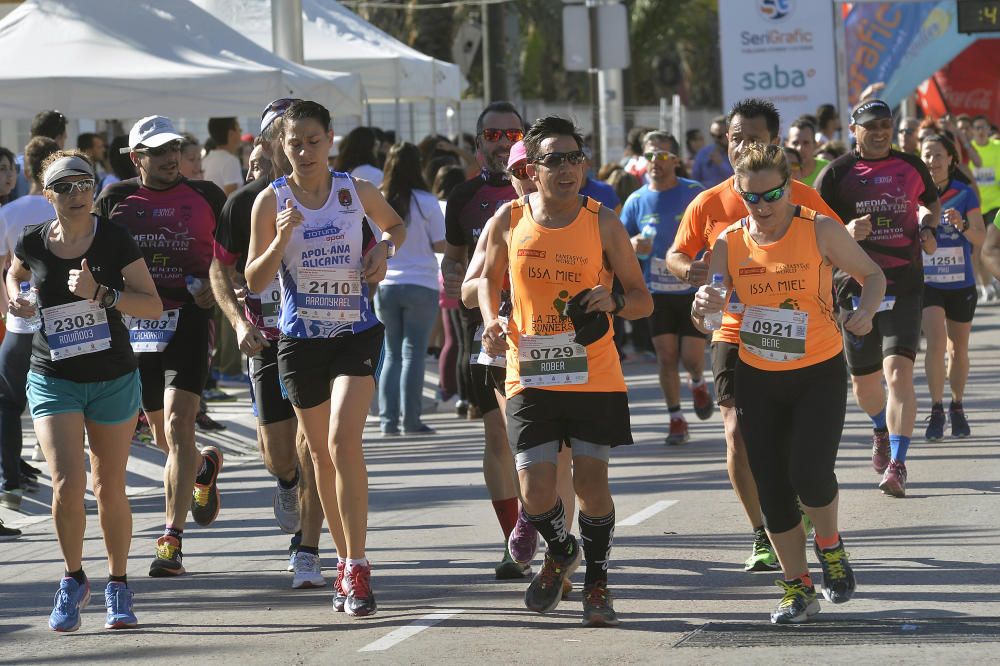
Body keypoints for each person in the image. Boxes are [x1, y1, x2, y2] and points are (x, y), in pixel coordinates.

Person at [692, 142, 882, 624]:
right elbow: (712, 304)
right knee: (773, 487)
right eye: (750, 195)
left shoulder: (818, 228)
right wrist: (702, 308)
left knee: (810, 475)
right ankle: (797, 588)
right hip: (758, 373)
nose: (762, 205)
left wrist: (864, 311)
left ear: (789, 186)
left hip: (817, 369)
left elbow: (872, 274)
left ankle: (831, 546)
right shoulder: (729, 241)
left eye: (772, 194)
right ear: (738, 190)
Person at [479, 115, 652, 627]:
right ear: (531, 169)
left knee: (592, 485)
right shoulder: (508, 221)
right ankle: (562, 550)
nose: (567, 168)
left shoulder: (603, 221)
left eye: (575, 157)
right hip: (529, 368)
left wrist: (614, 301)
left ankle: (596, 581)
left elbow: (643, 300)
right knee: (534, 492)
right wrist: (492, 321)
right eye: (554, 159)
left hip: (592, 371)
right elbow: (486, 281)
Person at [667, 97, 843, 573]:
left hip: (799, 334)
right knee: (737, 435)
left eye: (755, 138)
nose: (744, 144)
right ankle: (762, 532)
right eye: (737, 137)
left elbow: (838, 245)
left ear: (773, 143)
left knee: (791, 442)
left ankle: (800, 508)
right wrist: (694, 273)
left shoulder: (801, 195)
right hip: (733, 330)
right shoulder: (708, 201)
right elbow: (676, 255)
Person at [245, 99, 405, 617]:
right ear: (280, 146)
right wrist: (281, 240)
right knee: (318, 456)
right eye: (295, 143)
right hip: (300, 341)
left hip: (355, 332)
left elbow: (396, 228)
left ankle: (358, 563)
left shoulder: (353, 190)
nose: (305, 151)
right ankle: (343, 561)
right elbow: (254, 279)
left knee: (342, 439)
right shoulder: (270, 202)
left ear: (330, 139)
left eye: (314, 141)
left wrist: (383, 249)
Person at [8, 151, 161, 631]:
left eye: (85, 184)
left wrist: (101, 293)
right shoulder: (33, 240)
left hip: (112, 376)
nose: (78, 193)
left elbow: (152, 307)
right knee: (66, 484)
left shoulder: (115, 239)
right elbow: (15, 275)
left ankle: (118, 583)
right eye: (67, 185)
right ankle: (73, 578)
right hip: (53, 376)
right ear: (47, 193)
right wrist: (18, 298)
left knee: (108, 486)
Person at [95, 115, 227, 575]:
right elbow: (98, 256)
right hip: (136, 324)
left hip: (189, 318)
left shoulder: (207, 195)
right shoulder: (114, 199)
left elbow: (229, 255)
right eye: (158, 151)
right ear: (137, 158)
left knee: (179, 421)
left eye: (175, 147)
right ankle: (201, 472)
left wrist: (219, 286)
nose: (171, 157)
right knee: (164, 436)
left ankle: (171, 538)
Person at [210, 97, 328, 589]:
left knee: (312, 447)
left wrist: (374, 263)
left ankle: (308, 549)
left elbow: (373, 243)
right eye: (284, 133)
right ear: (269, 142)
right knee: (280, 455)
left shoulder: (334, 194)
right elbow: (220, 267)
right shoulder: (247, 203)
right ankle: (285, 485)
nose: (295, 143)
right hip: (267, 339)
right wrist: (238, 321)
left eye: (304, 134)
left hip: (321, 338)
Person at [815, 99, 941, 498]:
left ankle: (898, 464)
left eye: (886, 124)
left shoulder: (910, 166)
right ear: (854, 129)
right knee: (864, 382)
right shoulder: (837, 173)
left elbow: (931, 203)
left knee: (899, 374)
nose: (881, 131)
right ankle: (879, 428)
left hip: (904, 283)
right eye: (871, 125)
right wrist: (845, 230)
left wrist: (926, 226)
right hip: (852, 287)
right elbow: (814, 226)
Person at [440, 101, 528, 578]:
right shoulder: (463, 196)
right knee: (498, 434)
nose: (502, 143)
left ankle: (547, 525)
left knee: (538, 439)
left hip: (544, 330)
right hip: (489, 331)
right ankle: (514, 537)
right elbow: (454, 259)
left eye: (512, 135)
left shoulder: (550, 191)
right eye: (493, 135)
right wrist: (454, 278)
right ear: (478, 145)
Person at [620, 131, 709, 445]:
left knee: (693, 357)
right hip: (656, 290)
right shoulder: (636, 200)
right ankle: (675, 418)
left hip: (693, 290)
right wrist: (632, 244)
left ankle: (698, 381)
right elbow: (619, 245)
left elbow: (715, 232)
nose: (655, 162)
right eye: (649, 156)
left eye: (662, 156)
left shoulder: (694, 193)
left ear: (675, 160)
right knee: (667, 356)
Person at [0, 137, 60, 511]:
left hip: (20, 323)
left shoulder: (10, 213)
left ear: (24, 169)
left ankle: (10, 483)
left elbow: (6, 269)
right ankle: (63, 483)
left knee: (8, 404)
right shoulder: (76, 210)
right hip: (66, 326)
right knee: (59, 404)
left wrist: (8, 309)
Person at [374, 142, 445, 435]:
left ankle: (388, 420)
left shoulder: (379, 198)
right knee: (414, 352)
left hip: (386, 284)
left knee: (391, 353)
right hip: (421, 283)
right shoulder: (426, 201)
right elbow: (440, 244)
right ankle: (411, 420)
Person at [918, 135, 986, 440]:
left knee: (958, 349)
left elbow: (980, 240)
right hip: (929, 282)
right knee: (935, 342)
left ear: (950, 160)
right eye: (927, 155)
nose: (933, 161)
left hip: (961, 282)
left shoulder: (965, 193)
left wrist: (961, 225)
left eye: (938, 155)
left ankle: (956, 405)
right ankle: (936, 409)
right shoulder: (915, 195)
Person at [11, 110, 68, 201]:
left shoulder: (12, 165)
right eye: (64, 138)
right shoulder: (64, 168)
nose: (63, 145)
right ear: (57, 139)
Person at [202, 117, 244, 196]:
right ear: (231, 133)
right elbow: (230, 198)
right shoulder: (231, 161)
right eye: (239, 130)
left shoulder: (206, 159)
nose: (241, 133)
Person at [691, 115, 734, 188]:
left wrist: (721, 164)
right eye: (713, 135)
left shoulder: (738, 152)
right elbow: (695, 181)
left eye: (719, 136)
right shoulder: (703, 153)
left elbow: (739, 179)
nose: (716, 140)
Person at [786, 118, 828, 187]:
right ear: (787, 144)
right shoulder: (778, 173)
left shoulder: (827, 170)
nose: (800, 148)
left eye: (806, 143)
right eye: (795, 143)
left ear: (815, 145)